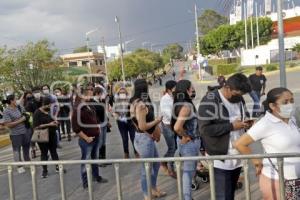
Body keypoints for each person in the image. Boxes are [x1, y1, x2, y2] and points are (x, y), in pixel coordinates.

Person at [234, 88, 300, 200]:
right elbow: (239, 143)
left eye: (292, 100)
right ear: (272, 106)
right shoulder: (265, 124)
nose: (290, 104)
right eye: (285, 102)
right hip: (276, 181)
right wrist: (256, 162)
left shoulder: (292, 120)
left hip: (295, 180)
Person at [198, 73, 252, 200]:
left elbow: (244, 115)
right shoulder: (210, 100)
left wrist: (248, 123)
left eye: (242, 95)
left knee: (230, 193)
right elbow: (204, 129)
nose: (240, 97)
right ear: (227, 87)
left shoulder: (239, 99)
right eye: (237, 94)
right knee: (223, 196)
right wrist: (231, 126)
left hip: (238, 154)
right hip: (221, 158)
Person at [130, 79, 166, 200]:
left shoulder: (135, 101)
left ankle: (153, 188)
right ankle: (147, 194)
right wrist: (157, 121)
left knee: (155, 165)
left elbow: (135, 121)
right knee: (146, 168)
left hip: (145, 137)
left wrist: (150, 133)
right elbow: (141, 125)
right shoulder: (140, 104)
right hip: (143, 140)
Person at [72, 87, 108, 189]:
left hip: (95, 137)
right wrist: (86, 138)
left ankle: (96, 176)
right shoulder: (77, 109)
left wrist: (98, 128)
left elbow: (95, 119)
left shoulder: (89, 105)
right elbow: (76, 128)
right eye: (88, 94)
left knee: (94, 158)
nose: (90, 96)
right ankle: (85, 182)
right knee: (86, 160)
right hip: (86, 140)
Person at [171, 80, 199, 200]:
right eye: (191, 87)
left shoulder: (178, 104)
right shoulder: (186, 106)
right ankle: (187, 198)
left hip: (186, 143)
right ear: (186, 90)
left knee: (189, 171)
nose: (193, 89)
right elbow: (177, 127)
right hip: (189, 143)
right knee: (188, 172)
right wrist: (185, 136)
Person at [33, 96, 64, 178]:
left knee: (54, 151)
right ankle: (44, 171)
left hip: (52, 134)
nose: (51, 107)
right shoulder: (37, 113)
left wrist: (55, 122)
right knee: (44, 153)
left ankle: (57, 167)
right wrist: (49, 124)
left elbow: (52, 120)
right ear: (45, 104)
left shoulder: (49, 111)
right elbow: (36, 127)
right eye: (49, 105)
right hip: (42, 135)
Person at [2, 94, 31, 173]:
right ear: (11, 101)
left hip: (25, 131)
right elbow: (8, 125)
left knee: (26, 147)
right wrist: (21, 120)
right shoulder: (6, 111)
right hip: (15, 134)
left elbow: (25, 114)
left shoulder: (19, 107)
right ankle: (19, 166)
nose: (17, 100)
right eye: (16, 99)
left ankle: (28, 162)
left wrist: (27, 116)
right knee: (16, 150)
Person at [114, 87, 138, 159]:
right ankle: (126, 153)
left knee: (133, 137)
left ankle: (136, 152)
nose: (122, 94)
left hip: (130, 121)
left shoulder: (130, 100)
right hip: (121, 122)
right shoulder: (116, 101)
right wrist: (117, 116)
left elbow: (133, 109)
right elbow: (114, 112)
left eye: (123, 92)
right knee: (124, 138)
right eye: (121, 93)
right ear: (118, 94)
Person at [160, 80, 177, 178]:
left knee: (175, 147)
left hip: (174, 125)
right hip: (168, 126)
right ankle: (170, 169)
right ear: (169, 90)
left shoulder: (174, 97)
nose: (176, 90)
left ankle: (165, 161)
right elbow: (168, 115)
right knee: (172, 147)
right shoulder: (165, 99)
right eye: (175, 88)